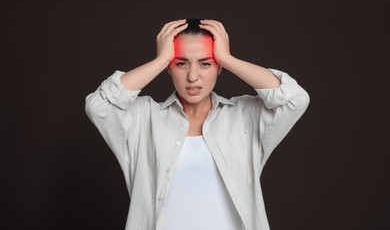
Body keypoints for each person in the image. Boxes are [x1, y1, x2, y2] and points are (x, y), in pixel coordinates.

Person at [85, 18, 310, 230]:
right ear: (169, 67)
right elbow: (99, 106)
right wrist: (160, 59)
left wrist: (227, 58)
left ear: (218, 66)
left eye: (205, 63)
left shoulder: (244, 117)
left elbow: (294, 99)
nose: (193, 76)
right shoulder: (145, 119)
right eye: (181, 63)